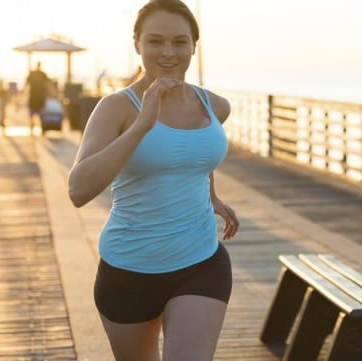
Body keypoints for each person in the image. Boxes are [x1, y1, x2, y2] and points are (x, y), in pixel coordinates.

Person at [67, 0, 239, 359]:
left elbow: (196, 155)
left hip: (201, 261)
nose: (168, 52)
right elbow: (79, 190)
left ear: (194, 46)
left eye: (180, 42)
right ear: (137, 44)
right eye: (155, 41)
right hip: (129, 270)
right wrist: (142, 125)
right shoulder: (116, 107)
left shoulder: (215, 106)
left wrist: (212, 196)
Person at [25, 61, 49, 129]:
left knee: (32, 112)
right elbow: (47, 85)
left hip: (33, 96)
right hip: (40, 96)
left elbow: (26, 83)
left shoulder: (32, 74)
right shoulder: (43, 74)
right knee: (41, 112)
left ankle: (32, 125)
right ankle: (40, 126)